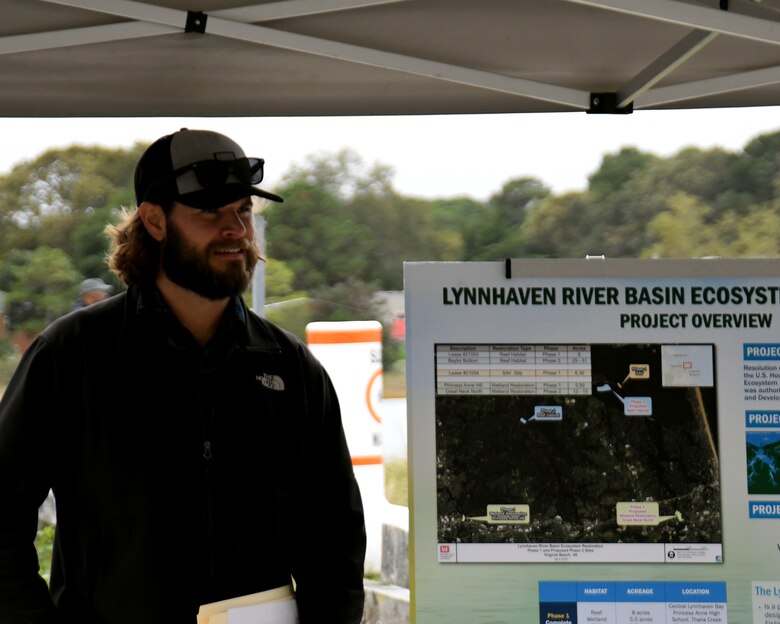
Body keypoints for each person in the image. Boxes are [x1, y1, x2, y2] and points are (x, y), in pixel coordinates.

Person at [0, 128, 367, 623]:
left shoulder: (291, 369)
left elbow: (335, 546)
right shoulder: (71, 357)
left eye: (242, 211)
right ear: (155, 220)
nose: (235, 229)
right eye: (210, 212)